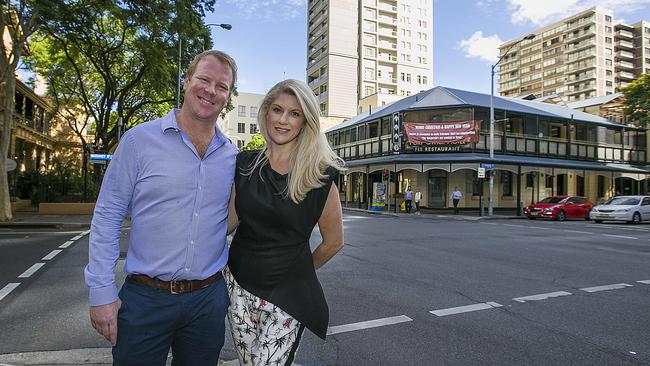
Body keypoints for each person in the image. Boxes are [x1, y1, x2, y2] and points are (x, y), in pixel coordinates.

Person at [84, 50, 239, 366]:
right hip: (145, 300)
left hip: (207, 302)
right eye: (203, 80)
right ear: (186, 82)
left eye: (221, 86)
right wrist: (101, 292)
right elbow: (108, 213)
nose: (211, 91)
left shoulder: (232, 156)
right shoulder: (139, 141)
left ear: (228, 96)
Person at [225, 79, 345, 366]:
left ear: (305, 122)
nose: (283, 120)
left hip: (287, 297)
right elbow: (226, 223)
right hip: (238, 287)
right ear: (266, 112)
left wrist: (298, 272)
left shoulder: (319, 176)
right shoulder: (244, 165)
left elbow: (334, 242)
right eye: (277, 109)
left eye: (294, 113)